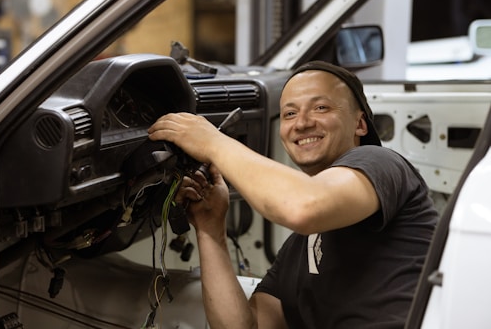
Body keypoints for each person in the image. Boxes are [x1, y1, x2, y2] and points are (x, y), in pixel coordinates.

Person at [147, 61, 438, 329]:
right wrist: (211, 230)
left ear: (360, 124)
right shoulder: (302, 248)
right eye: (289, 113)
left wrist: (212, 143)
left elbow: (303, 207)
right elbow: (243, 326)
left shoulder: (380, 162)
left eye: (321, 108)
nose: (302, 123)